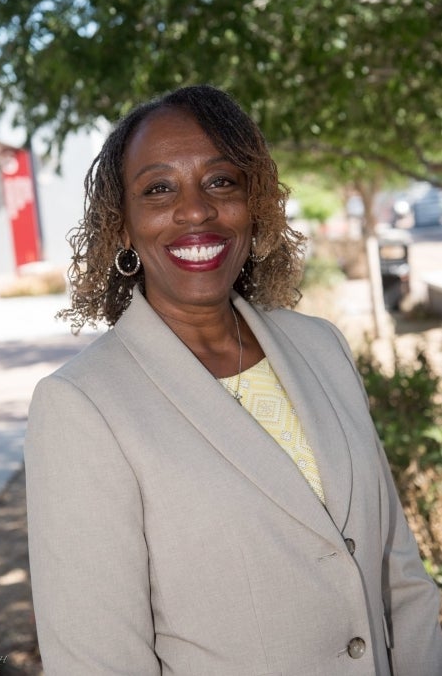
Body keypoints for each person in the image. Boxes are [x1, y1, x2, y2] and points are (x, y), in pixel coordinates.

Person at [25, 84, 442, 676]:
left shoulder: (321, 347)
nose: (195, 210)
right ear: (122, 227)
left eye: (221, 181)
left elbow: (400, 576)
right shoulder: (82, 407)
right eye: (159, 189)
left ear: (256, 204)